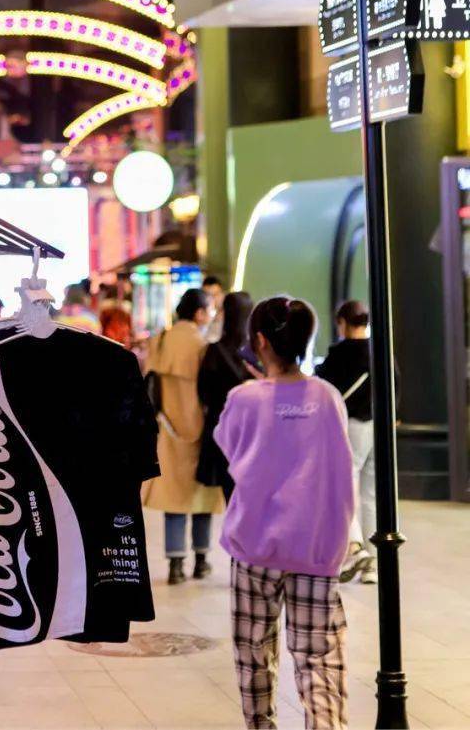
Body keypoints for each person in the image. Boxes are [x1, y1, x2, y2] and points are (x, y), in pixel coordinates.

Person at [216, 296, 355, 730]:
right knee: (319, 659)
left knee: (254, 657)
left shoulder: (244, 398)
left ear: (259, 340)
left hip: (254, 545)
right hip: (316, 549)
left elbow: (228, 446)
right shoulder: (327, 397)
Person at [142, 287, 224, 583]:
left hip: (168, 428)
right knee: (201, 493)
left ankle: (175, 565)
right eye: (210, 309)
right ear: (200, 313)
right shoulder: (204, 346)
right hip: (201, 429)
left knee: (173, 496)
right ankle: (201, 560)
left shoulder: (161, 339)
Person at [317, 300, 378, 585]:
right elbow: (396, 384)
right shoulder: (379, 350)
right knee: (370, 494)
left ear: (342, 322)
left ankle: (355, 549)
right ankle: (373, 561)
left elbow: (323, 388)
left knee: (344, 487)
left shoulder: (338, 354)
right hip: (378, 427)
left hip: (349, 427)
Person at [197, 291, 260, 501]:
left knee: (231, 497)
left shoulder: (215, 351)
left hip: (223, 430)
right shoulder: (260, 352)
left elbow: (204, 394)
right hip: (256, 432)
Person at [202, 274, 226, 340]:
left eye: (216, 294)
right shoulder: (207, 318)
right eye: (209, 296)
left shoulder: (231, 317)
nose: (213, 299)